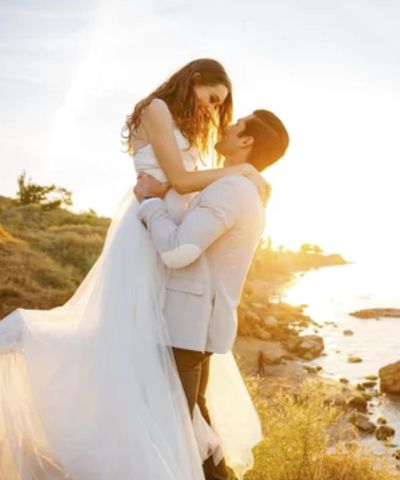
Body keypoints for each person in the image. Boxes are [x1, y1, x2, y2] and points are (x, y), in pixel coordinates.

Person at [0, 59, 269, 479]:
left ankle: (170, 455)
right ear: (194, 80)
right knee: (123, 345)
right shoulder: (156, 109)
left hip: (167, 231)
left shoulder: (185, 125)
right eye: (212, 99)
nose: (214, 111)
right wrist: (243, 170)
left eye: (220, 107)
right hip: (146, 231)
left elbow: (187, 192)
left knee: (151, 361)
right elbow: (179, 180)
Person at [134, 109, 289, 480]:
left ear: (246, 141)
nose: (228, 124)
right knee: (195, 427)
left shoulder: (232, 189)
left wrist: (150, 202)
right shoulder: (237, 188)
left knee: (177, 432)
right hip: (193, 327)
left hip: (184, 328)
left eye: (238, 124)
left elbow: (178, 251)